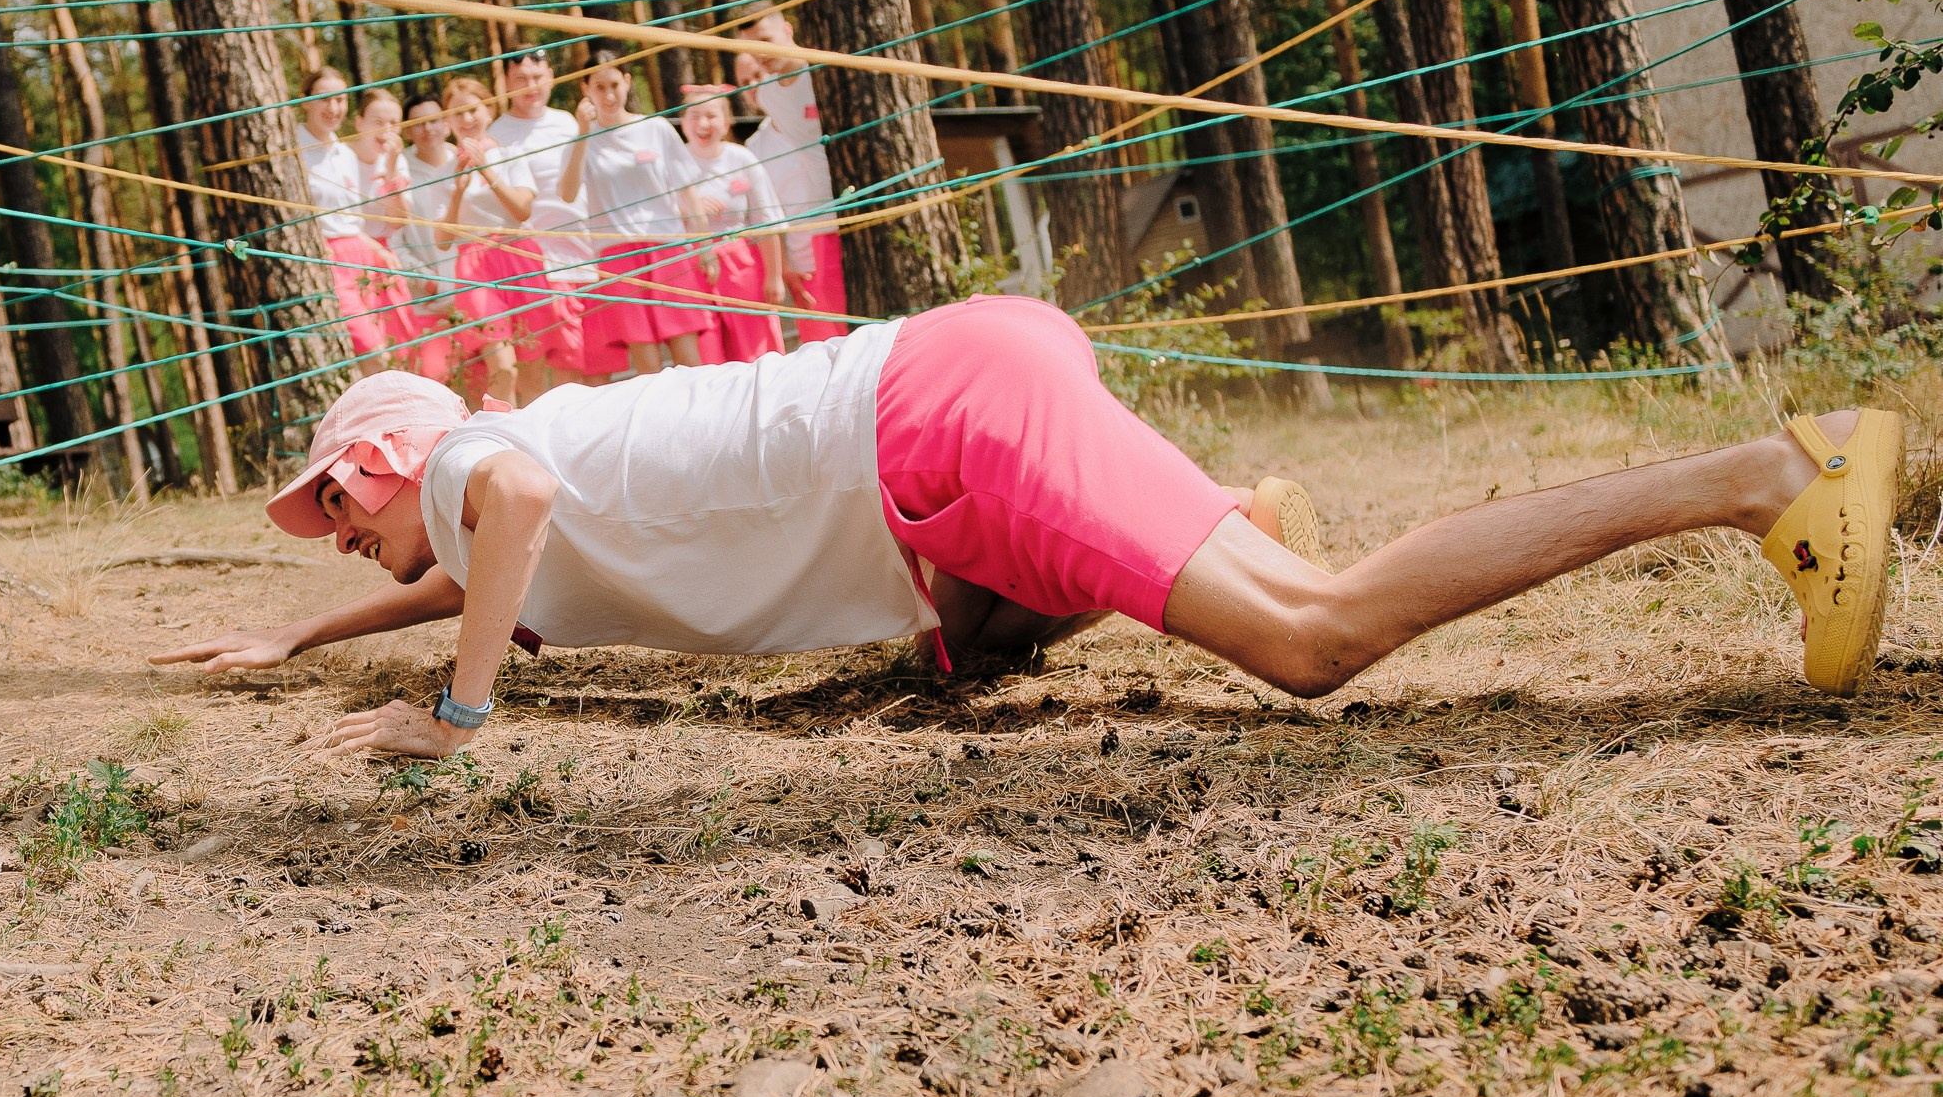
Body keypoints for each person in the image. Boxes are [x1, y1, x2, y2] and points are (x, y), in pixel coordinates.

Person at [153, 295, 1899, 757]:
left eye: (325, 516)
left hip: (942, 438)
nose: (325, 541)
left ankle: (1762, 478)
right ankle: (1208, 517)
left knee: (1313, 635)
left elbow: (500, 519)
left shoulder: (480, 453)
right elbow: (484, 570)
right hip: (948, 419)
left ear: (380, 467)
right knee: (955, 657)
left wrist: (460, 719)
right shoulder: (488, 495)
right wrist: (299, 640)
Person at [558, 50, 709, 376]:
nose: (609, 95)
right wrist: (583, 134)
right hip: (617, 253)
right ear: (586, 89)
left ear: (627, 82)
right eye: (599, 87)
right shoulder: (581, 140)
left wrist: (705, 247)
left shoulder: (655, 128)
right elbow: (567, 193)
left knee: (688, 353)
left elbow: (688, 191)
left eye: (614, 84)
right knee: (647, 363)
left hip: (667, 246)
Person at [488, 50, 606, 394]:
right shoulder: (499, 133)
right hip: (541, 263)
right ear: (506, 83)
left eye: (537, 77)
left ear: (551, 77)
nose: (531, 87)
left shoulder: (567, 123)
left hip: (588, 255)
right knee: (560, 361)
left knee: (595, 361)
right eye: (521, 79)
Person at [738, 9, 848, 343]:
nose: (761, 53)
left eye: (766, 40)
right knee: (823, 345)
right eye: (752, 47)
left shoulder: (823, 73)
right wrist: (786, 262)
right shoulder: (769, 97)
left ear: (787, 30)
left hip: (846, 223)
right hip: (807, 243)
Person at [438, 77, 541, 405]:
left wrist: (487, 172)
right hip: (474, 266)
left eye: (473, 110)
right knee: (503, 368)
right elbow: (442, 240)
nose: (467, 120)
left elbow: (522, 210)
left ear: (489, 109)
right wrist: (457, 191)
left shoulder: (511, 154)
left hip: (516, 254)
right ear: (447, 120)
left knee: (533, 368)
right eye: (457, 113)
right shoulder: (445, 169)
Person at [297, 71, 406, 363]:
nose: (333, 108)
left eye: (340, 99)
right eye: (324, 99)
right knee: (375, 354)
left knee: (393, 351)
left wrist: (378, 249)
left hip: (362, 257)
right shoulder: (294, 148)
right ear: (305, 102)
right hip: (327, 258)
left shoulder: (345, 154)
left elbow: (351, 221)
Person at [674, 85, 787, 365]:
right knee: (708, 354)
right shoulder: (672, 163)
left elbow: (765, 220)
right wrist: (689, 207)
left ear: (726, 122)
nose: (703, 124)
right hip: (692, 265)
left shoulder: (742, 158)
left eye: (711, 116)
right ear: (683, 122)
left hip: (740, 264)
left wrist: (774, 276)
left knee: (755, 349)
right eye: (694, 116)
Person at [380, 94, 458, 384]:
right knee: (437, 380)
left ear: (448, 122)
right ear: (408, 130)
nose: (429, 129)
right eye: (419, 123)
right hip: (427, 298)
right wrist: (425, 279)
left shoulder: (462, 158)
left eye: (435, 120)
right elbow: (394, 237)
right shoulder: (400, 169)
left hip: (470, 289)